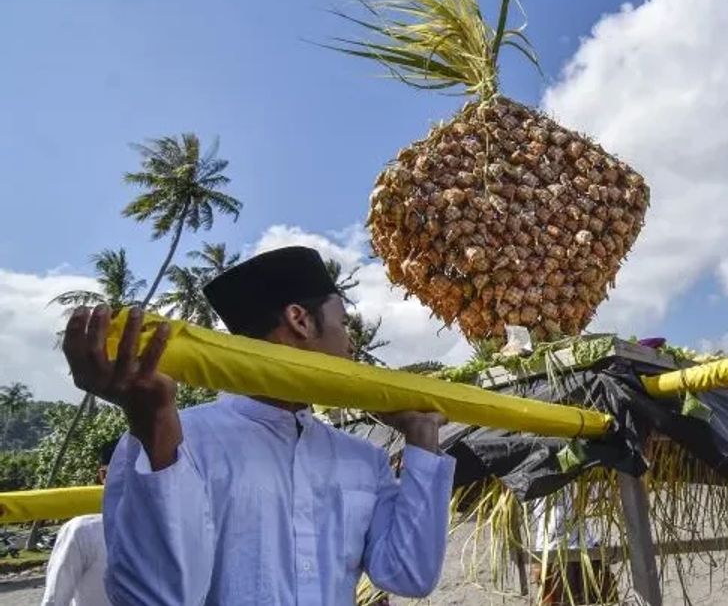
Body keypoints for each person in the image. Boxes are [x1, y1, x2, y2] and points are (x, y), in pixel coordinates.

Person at [61, 246, 455, 604]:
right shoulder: (178, 440)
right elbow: (157, 599)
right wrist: (157, 436)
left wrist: (422, 438)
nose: (351, 344)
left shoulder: (364, 458)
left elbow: (409, 575)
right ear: (300, 320)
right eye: (343, 323)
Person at [40, 439, 120, 606]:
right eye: (126, 469)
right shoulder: (84, 533)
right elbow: (54, 601)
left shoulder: (168, 530)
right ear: (104, 476)